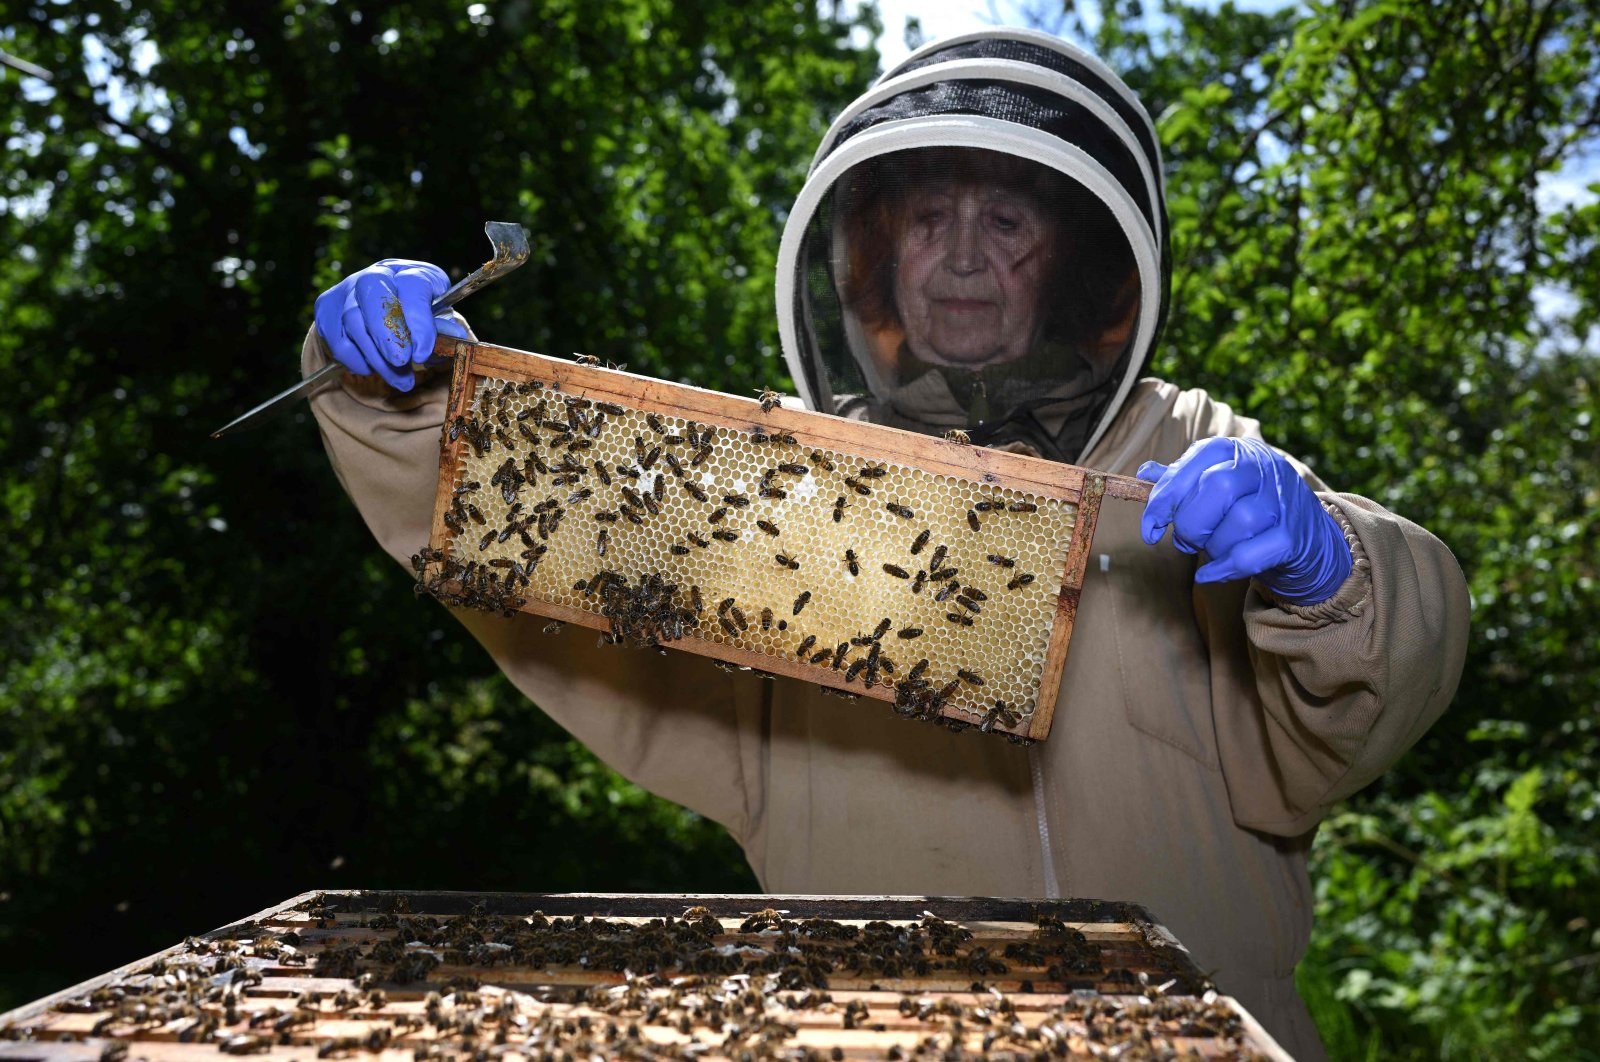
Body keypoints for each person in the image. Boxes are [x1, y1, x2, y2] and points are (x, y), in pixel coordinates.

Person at [302, 29, 1469, 1060]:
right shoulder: (783, 487)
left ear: (1069, 254)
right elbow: (549, 557)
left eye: (1005, 219)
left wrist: (1329, 573)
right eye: (928, 216)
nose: (962, 255)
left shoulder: (1188, 440)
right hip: (868, 1029)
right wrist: (406, 399)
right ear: (875, 253)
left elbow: (1381, 677)